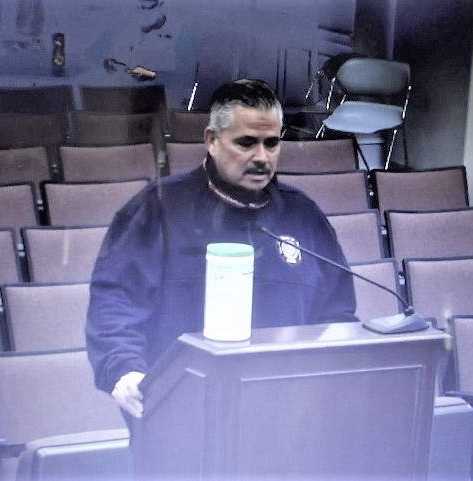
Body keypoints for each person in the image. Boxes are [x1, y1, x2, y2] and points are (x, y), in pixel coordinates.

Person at [85, 78, 357, 421]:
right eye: (246, 143)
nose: (262, 157)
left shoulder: (304, 217)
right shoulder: (158, 209)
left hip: (285, 416)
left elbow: (336, 315)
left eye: (272, 143)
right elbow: (116, 302)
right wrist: (124, 369)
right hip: (181, 414)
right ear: (211, 141)